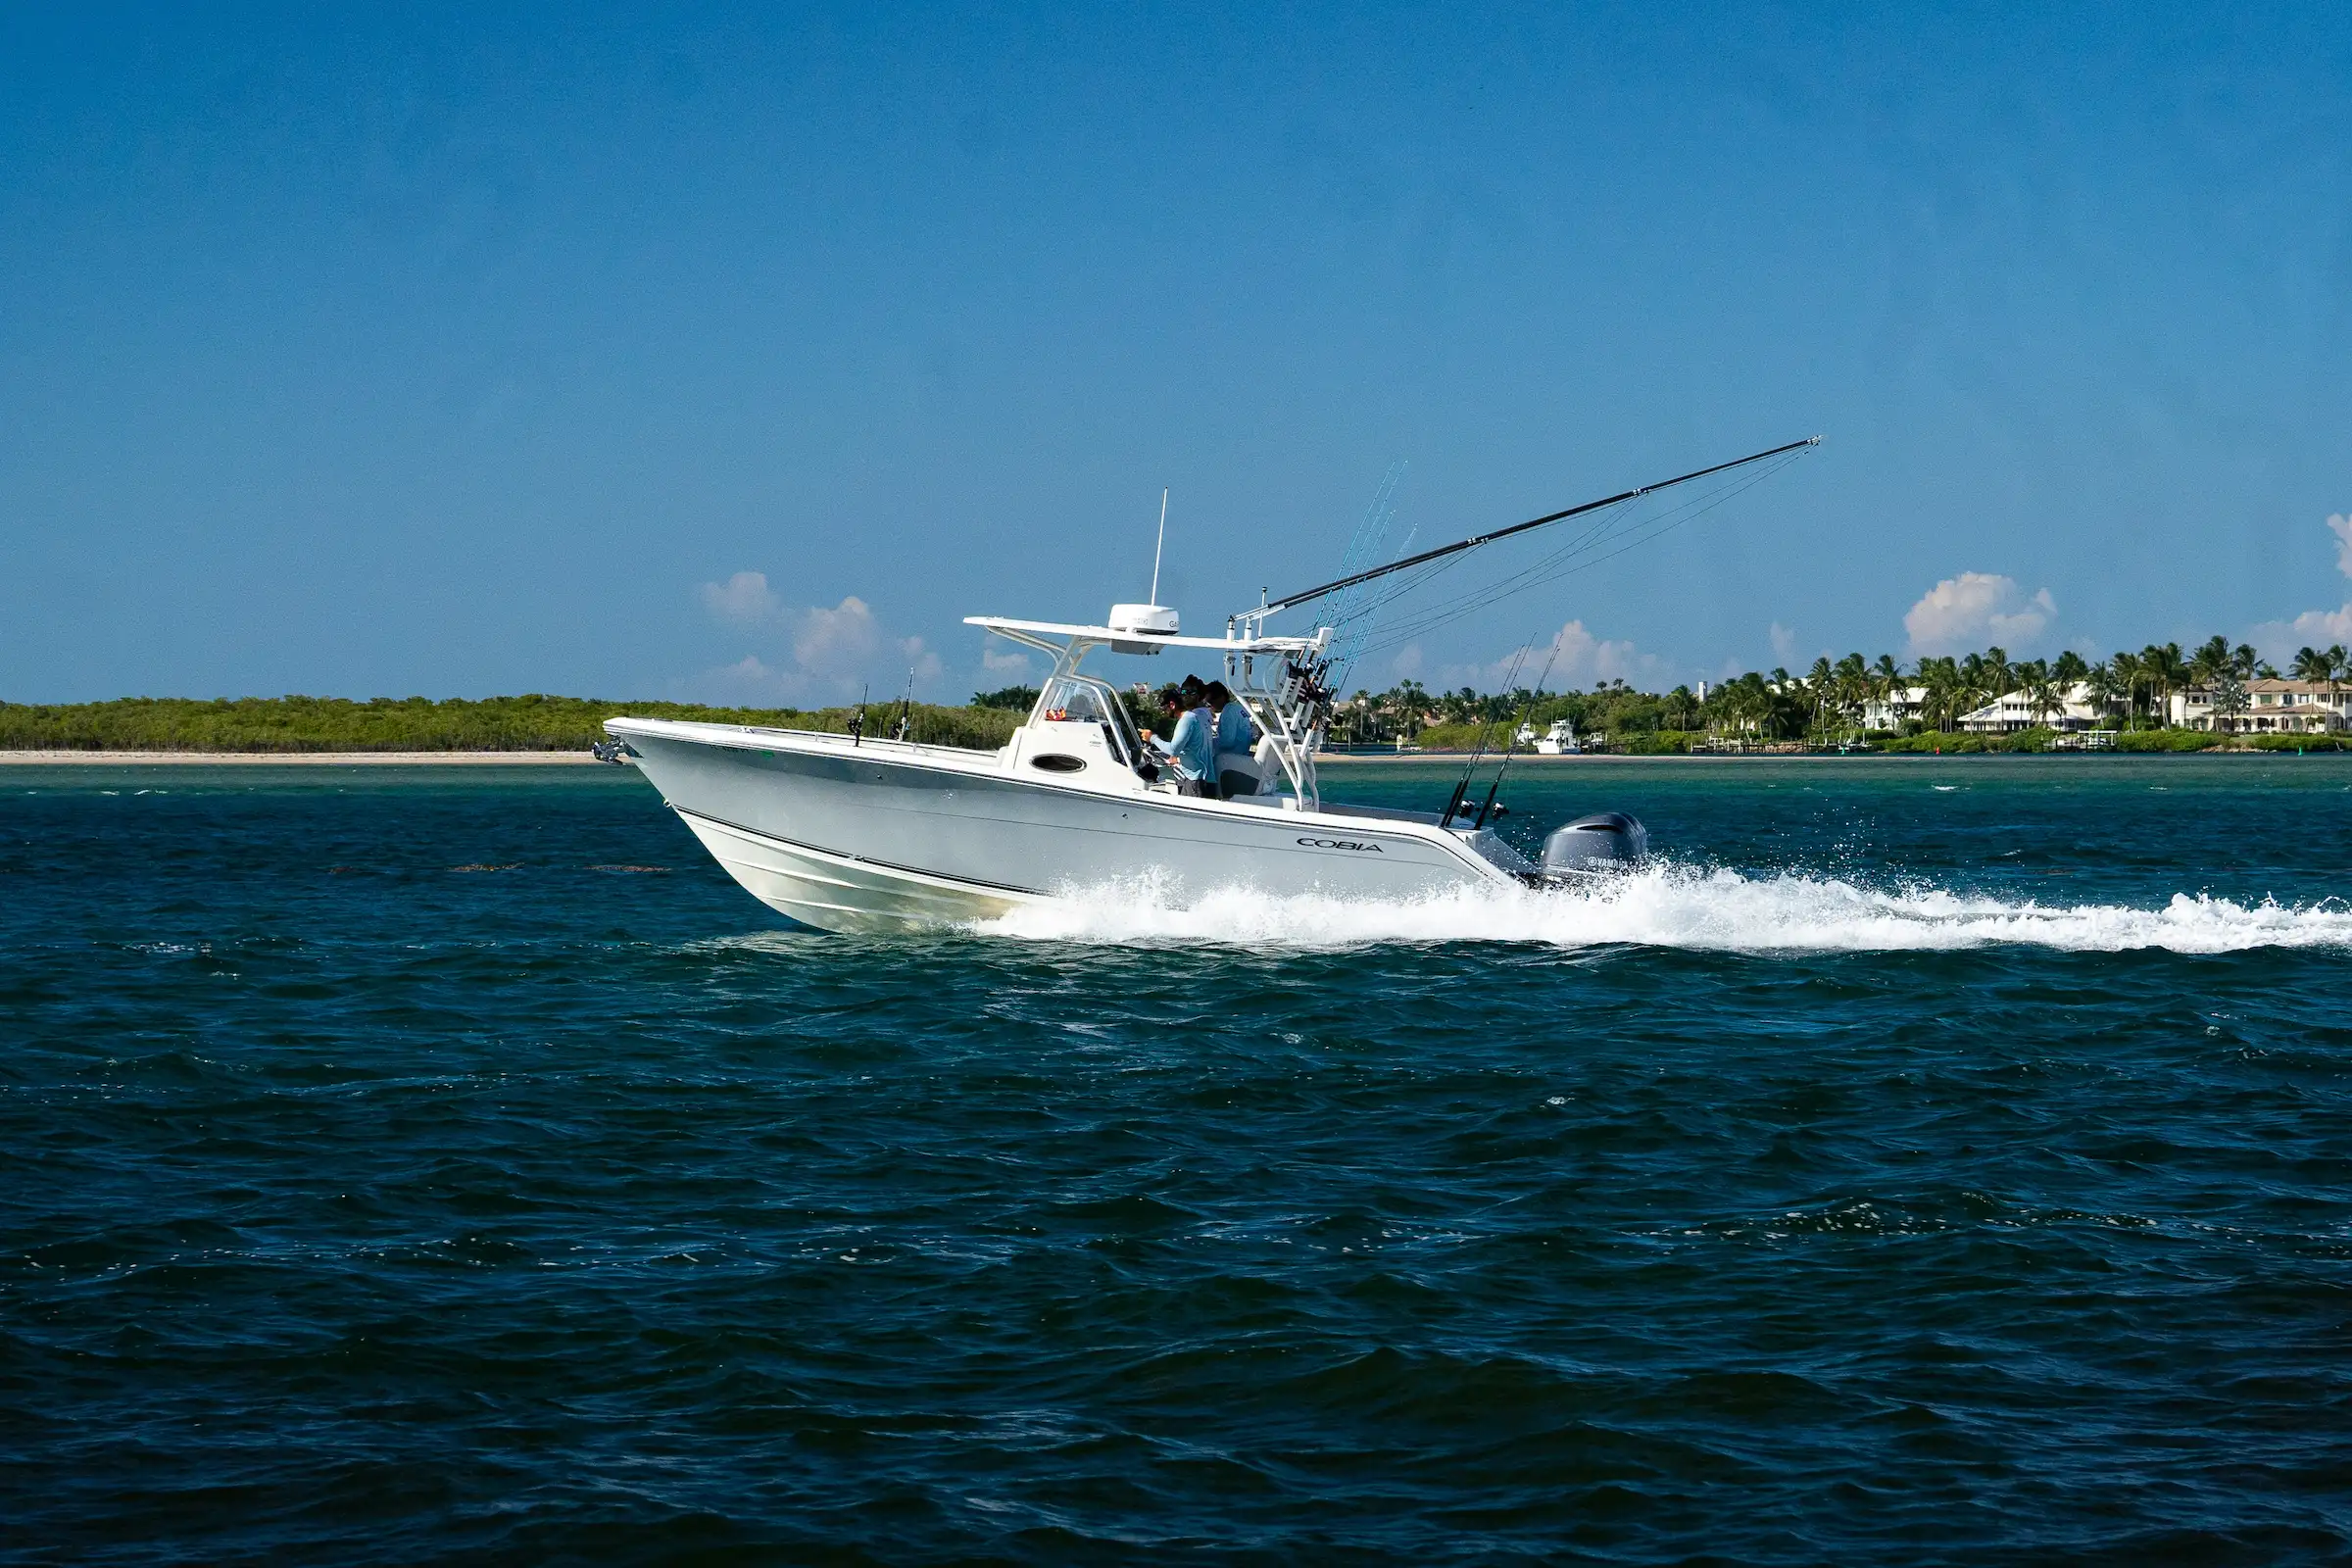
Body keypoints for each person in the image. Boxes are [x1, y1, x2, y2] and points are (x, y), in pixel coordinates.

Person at [1152, 682, 1215, 795]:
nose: (1163, 713)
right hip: (1198, 778)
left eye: (1164, 709)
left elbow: (1172, 750)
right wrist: (1178, 759)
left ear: (1172, 705)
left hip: (1195, 780)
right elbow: (1194, 748)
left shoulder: (1187, 720)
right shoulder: (1196, 717)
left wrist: (1152, 738)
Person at [1204, 680, 1257, 799]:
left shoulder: (1228, 712)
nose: (1210, 706)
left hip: (1229, 761)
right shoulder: (1238, 708)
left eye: (1211, 702)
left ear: (1221, 697)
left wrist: (1208, 742)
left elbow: (1228, 741)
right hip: (1241, 757)